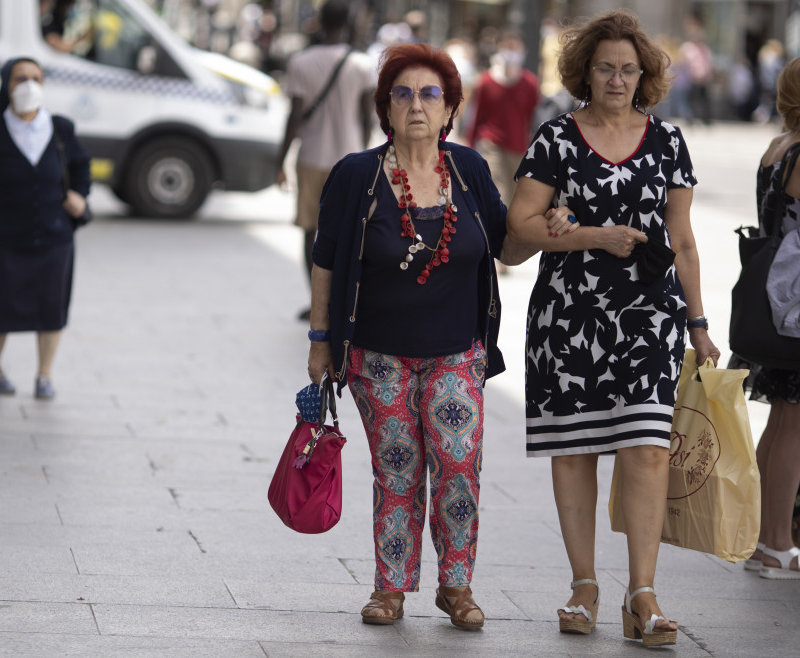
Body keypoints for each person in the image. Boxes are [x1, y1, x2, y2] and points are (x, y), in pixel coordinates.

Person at [507, 10, 719, 647]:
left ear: (644, 75)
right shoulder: (556, 140)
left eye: (628, 69)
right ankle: (584, 586)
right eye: (605, 67)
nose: (617, 78)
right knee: (574, 451)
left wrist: (700, 323)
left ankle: (643, 594)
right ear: (585, 72)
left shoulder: (670, 141)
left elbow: (682, 239)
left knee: (648, 450)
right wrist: (594, 236)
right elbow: (518, 225)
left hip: (650, 321)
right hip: (568, 320)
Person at [306, 42, 535, 629]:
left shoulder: (471, 171)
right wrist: (320, 339)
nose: (416, 105)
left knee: (458, 465)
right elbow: (326, 260)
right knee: (398, 468)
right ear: (385, 107)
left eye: (430, 94)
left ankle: (456, 584)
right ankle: (391, 588)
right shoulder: (357, 175)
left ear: (451, 107)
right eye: (402, 94)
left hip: (459, 351)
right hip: (378, 356)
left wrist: (545, 229)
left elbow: (507, 245)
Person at [0, 57, 91, 400]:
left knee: (52, 307)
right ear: (7, 85)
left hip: (54, 237)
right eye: (20, 78)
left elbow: (81, 166)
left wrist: (79, 195)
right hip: (5, 237)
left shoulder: (61, 128)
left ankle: (44, 375)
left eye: (36, 78)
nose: (29, 85)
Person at [732, 56, 800, 580]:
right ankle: (778, 541)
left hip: (777, 298)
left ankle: (764, 537)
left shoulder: (776, 148)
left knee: (781, 418)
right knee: (793, 423)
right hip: (796, 303)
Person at [275, 0, 375, 321]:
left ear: (319, 21)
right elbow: (367, 116)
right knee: (349, 232)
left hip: (311, 157)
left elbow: (295, 115)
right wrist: (367, 154)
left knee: (310, 231)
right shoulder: (362, 64)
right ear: (348, 23)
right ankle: (341, 301)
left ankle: (316, 301)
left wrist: (281, 159)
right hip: (350, 161)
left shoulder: (301, 62)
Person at [466, 31, 540, 227]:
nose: (511, 52)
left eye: (515, 47)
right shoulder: (485, 82)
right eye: (507, 47)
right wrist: (469, 146)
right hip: (492, 144)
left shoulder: (530, 83)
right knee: (498, 193)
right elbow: (476, 116)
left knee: (516, 195)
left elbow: (534, 118)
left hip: (519, 147)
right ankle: (497, 243)